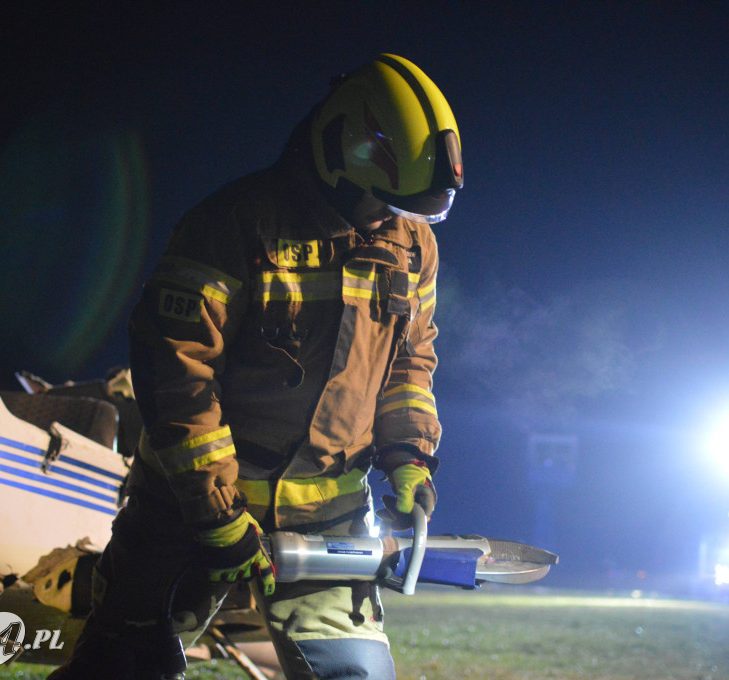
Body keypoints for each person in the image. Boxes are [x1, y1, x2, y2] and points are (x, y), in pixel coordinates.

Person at [49, 53, 463, 680]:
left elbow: (410, 363)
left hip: (328, 517)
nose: (394, 220)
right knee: (121, 667)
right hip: (188, 512)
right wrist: (215, 514)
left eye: (410, 210)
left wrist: (408, 457)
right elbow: (177, 375)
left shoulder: (412, 243)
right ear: (339, 161)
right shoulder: (232, 227)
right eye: (383, 202)